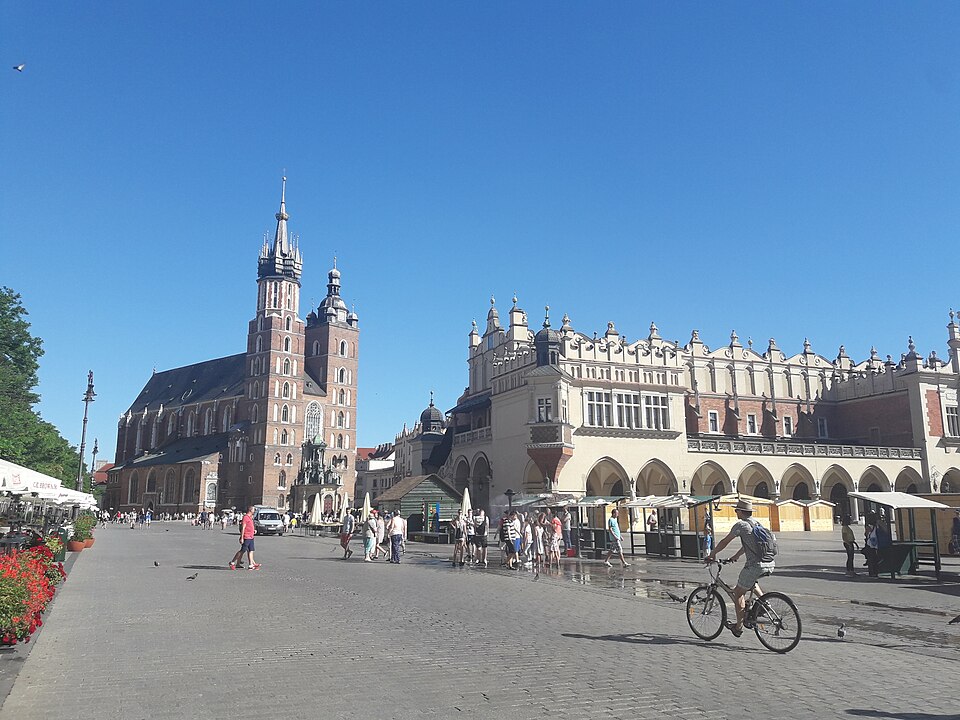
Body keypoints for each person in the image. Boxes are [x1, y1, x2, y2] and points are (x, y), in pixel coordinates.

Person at [704, 498, 774, 638]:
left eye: (736, 510)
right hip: (770, 563)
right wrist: (736, 556)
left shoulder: (741, 525)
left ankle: (738, 627)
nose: (736, 512)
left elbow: (725, 541)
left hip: (755, 565)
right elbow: (748, 545)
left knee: (738, 593)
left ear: (741, 512)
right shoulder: (757, 524)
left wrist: (712, 554)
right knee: (751, 583)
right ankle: (765, 605)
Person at [229, 506, 260, 570]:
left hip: (251, 536)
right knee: (242, 550)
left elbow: (250, 526)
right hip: (247, 536)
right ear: (250, 510)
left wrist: (253, 530)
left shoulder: (250, 518)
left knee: (251, 550)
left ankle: (251, 564)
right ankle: (232, 562)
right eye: (254, 510)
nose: (254, 511)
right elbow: (243, 527)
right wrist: (242, 537)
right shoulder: (245, 517)